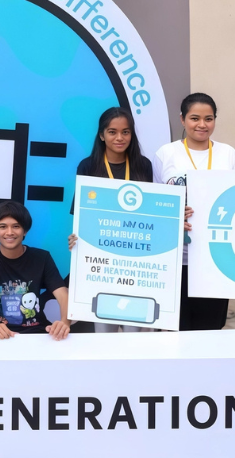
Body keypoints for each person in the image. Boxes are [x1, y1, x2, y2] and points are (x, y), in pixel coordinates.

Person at [154, 93, 235, 331]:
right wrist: (173, 216)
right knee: (174, 328)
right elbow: (155, 203)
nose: (202, 124)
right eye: (194, 118)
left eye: (208, 119)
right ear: (182, 119)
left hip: (215, 258)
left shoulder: (228, 154)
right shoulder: (166, 154)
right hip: (174, 259)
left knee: (210, 329)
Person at [69, 106, 156, 333]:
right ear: (101, 135)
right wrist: (76, 238)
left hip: (135, 259)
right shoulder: (88, 166)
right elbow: (81, 216)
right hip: (102, 259)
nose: (120, 138)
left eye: (125, 132)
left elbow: (152, 215)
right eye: (112, 132)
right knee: (103, 332)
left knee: (135, 333)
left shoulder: (143, 165)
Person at [0, 201, 70, 340]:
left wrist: (65, 322)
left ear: (25, 230)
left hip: (36, 333)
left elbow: (63, 295)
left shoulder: (42, 258)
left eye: (16, 226)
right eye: (3, 227)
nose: (9, 232)